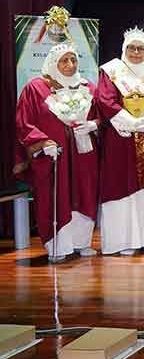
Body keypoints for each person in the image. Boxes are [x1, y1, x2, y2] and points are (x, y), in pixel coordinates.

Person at [14, 43, 100, 262]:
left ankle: (82, 242)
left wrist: (94, 124)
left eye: (74, 60)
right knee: (56, 195)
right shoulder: (35, 88)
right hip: (55, 155)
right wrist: (42, 142)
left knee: (85, 192)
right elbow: (24, 123)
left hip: (84, 153)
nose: (70, 65)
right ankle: (57, 245)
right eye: (64, 60)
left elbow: (102, 116)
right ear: (53, 63)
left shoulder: (87, 87)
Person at [96, 27, 144, 256]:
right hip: (120, 138)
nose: (136, 52)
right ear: (124, 50)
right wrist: (131, 122)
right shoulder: (111, 71)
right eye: (132, 48)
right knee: (121, 187)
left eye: (141, 48)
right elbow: (104, 100)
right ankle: (122, 242)